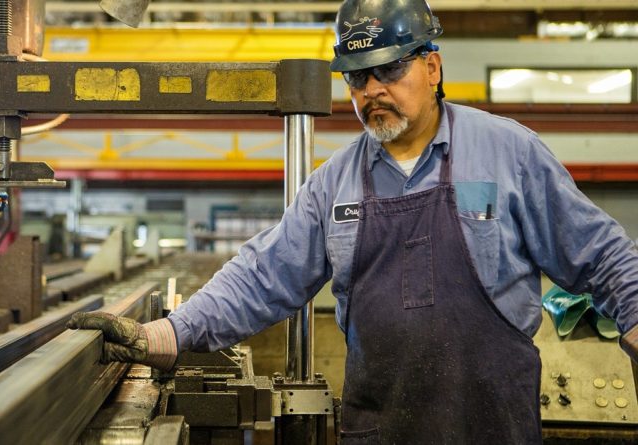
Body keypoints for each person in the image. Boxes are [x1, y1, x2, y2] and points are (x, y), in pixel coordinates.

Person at [67, 0, 638, 442]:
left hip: (492, 426)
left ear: (432, 66)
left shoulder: (509, 153)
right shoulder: (334, 183)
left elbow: (602, 256)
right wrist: (164, 335)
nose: (372, 91)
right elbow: (263, 276)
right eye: (358, 77)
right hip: (379, 429)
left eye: (388, 69)